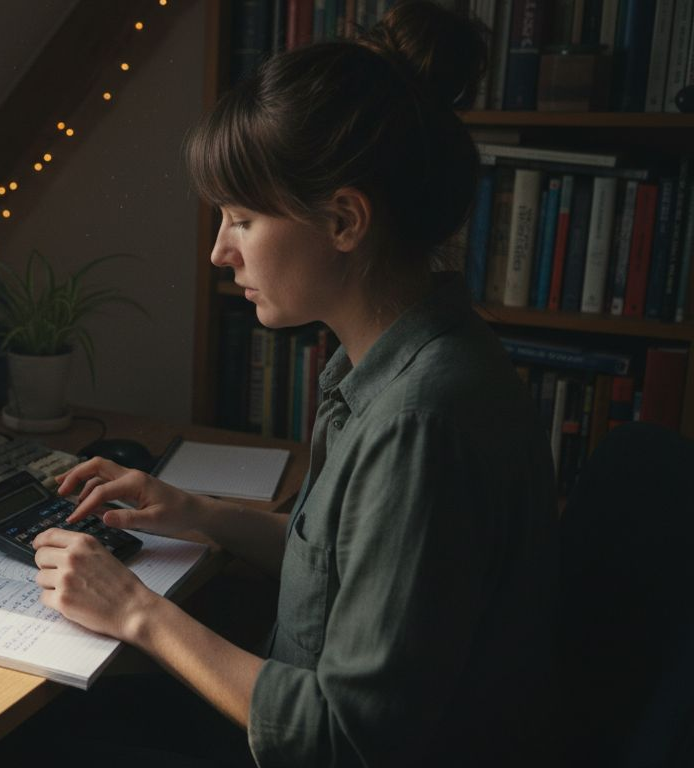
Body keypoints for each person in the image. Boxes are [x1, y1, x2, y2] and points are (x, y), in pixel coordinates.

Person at [30, 2, 559, 765]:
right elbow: (355, 567)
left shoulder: (419, 420)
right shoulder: (394, 362)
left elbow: (345, 737)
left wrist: (135, 611)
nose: (219, 253)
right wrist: (198, 513)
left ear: (345, 221)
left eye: (241, 220)